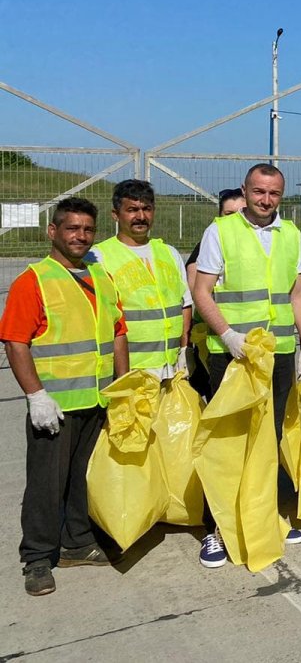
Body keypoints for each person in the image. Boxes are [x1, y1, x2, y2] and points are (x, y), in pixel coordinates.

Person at [191, 163, 301, 567]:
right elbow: (202, 291)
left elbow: (299, 292)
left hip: (280, 353)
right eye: (259, 192)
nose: (266, 201)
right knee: (229, 440)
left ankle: (263, 516)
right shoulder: (221, 231)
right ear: (246, 191)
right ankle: (216, 528)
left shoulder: (292, 235)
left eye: (274, 194)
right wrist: (229, 336)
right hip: (234, 355)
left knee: (268, 437)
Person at [1, 197, 130, 596]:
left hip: (95, 399)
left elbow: (117, 330)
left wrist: (122, 386)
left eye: (88, 229)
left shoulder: (100, 274)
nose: (81, 236)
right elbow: (15, 341)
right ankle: (37, 558)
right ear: (53, 231)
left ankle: (77, 542)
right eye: (72, 228)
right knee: (45, 484)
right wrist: (35, 395)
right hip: (54, 406)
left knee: (82, 479)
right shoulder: (34, 280)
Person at [90, 179, 191, 381]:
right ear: (115, 215)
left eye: (147, 209)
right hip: (129, 371)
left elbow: (184, 304)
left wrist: (183, 350)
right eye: (132, 210)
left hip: (170, 369)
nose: (141, 216)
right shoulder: (98, 257)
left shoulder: (169, 253)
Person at [185, 188, 245, 401]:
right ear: (219, 216)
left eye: (241, 212)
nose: (236, 219)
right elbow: (196, 289)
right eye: (229, 214)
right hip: (213, 338)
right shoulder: (208, 245)